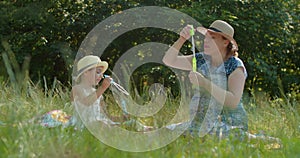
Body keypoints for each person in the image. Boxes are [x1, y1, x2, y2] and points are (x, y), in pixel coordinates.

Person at [163, 20, 248, 138]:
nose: (206, 41)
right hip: (201, 123)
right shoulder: (202, 59)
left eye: (212, 38)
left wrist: (204, 83)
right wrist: (182, 39)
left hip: (229, 123)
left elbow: (233, 102)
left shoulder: (235, 66)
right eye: (206, 37)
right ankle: (142, 128)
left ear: (225, 43)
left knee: (205, 134)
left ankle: (259, 139)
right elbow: (169, 60)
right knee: (168, 133)